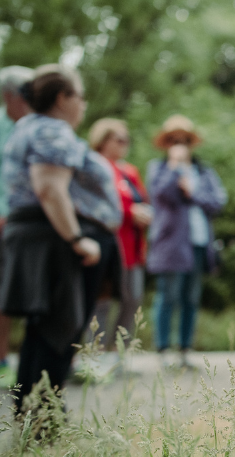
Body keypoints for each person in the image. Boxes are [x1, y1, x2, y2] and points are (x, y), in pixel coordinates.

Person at [0, 64, 122, 420]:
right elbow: (50, 188)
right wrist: (77, 238)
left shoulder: (29, 127)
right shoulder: (53, 130)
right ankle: (44, 418)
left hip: (38, 235)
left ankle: (34, 415)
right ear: (62, 97)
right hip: (54, 238)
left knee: (46, 328)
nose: (83, 105)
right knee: (59, 327)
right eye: (80, 96)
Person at [146, 115, 227, 369]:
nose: (179, 144)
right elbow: (160, 194)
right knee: (168, 296)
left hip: (199, 243)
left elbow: (218, 201)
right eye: (173, 140)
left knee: (191, 298)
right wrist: (173, 168)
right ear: (167, 144)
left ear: (191, 143)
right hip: (171, 244)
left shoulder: (204, 172)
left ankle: (184, 350)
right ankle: (162, 350)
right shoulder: (158, 169)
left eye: (183, 140)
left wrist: (194, 192)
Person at [0, 65, 34, 387]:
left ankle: (30, 359)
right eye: (26, 93)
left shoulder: (32, 127)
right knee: (0, 291)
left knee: (32, 292)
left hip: (28, 223)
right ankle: (1, 361)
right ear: (8, 95)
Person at [86, 119, 152, 361]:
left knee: (133, 298)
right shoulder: (95, 166)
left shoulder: (129, 171)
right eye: (119, 139)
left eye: (127, 139)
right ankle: (92, 355)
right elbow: (95, 203)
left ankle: (119, 354)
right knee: (101, 301)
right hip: (107, 244)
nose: (125, 144)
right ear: (103, 141)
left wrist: (144, 213)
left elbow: (142, 200)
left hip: (132, 247)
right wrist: (128, 212)